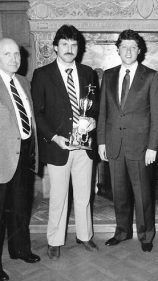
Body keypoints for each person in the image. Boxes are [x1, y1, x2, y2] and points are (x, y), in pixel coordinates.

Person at [31, 25, 98, 260]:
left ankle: (85, 236)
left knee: (83, 195)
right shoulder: (42, 75)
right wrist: (54, 137)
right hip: (58, 146)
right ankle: (55, 240)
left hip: (84, 147)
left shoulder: (88, 73)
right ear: (55, 48)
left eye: (74, 45)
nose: (69, 49)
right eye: (65, 45)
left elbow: (94, 107)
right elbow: (37, 113)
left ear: (78, 48)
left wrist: (92, 122)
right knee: (58, 197)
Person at [97, 29, 158, 252]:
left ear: (140, 50)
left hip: (141, 147)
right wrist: (101, 142)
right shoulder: (108, 75)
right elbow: (103, 113)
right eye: (124, 47)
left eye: (133, 47)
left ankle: (146, 235)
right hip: (114, 144)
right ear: (117, 50)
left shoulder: (152, 76)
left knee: (143, 194)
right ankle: (122, 231)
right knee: (119, 192)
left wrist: (153, 146)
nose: (128, 51)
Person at [0, 38, 40, 281]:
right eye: (7, 54)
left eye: (17, 54)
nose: (15, 59)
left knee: (20, 207)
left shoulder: (23, 81)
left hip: (24, 153)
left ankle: (20, 250)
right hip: (2, 158)